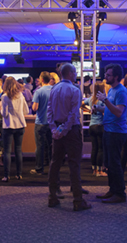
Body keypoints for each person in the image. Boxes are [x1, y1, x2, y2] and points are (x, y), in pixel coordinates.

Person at [46, 63, 91, 211]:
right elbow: (73, 115)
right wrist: (64, 130)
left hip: (57, 131)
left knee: (55, 164)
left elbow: (49, 112)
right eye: (75, 72)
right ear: (71, 73)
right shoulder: (74, 90)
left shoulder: (54, 89)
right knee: (74, 164)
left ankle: (52, 197)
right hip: (71, 131)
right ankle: (78, 200)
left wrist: (55, 130)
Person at [95, 63, 127, 204]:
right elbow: (110, 110)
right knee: (109, 163)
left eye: (108, 75)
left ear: (116, 76)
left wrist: (105, 100)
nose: (105, 77)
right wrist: (99, 108)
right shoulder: (112, 90)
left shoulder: (121, 91)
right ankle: (112, 190)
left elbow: (119, 112)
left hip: (116, 132)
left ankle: (120, 193)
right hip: (109, 130)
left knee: (115, 163)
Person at [1, 77, 29, 182]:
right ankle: (19, 174)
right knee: (18, 150)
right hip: (20, 125)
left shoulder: (5, 97)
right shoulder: (21, 95)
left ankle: (6, 175)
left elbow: (4, 113)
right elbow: (26, 110)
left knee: (7, 151)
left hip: (9, 125)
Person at [82, 82, 107, 177]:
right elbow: (106, 112)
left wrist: (88, 111)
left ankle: (94, 170)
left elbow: (81, 104)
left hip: (91, 126)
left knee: (94, 149)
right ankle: (100, 171)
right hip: (100, 126)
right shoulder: (102, 101)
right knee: (101, 149)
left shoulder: (91, 99)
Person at [30, 71, 53, 176]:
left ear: (42, 80)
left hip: (40, 122)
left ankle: (39, 169)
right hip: (52, 123)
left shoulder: (38, 91)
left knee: (40, 146)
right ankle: (53, 168)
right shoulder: (54, 90)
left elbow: (35, 108)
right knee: (51, 146)